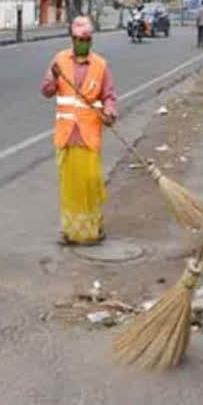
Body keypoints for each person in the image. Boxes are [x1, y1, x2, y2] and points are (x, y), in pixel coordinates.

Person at [42, 16, 118, 246]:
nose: (83, 43)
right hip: (66, 134)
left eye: (87, 39)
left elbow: (109, 95)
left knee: (89, 183)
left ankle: (93, 229)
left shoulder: (100, 65)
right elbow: (46, 91)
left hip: (89, 134)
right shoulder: (59, 61)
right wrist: (54, 77)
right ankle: (70, 231)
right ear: (72, 39)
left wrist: (110, 111)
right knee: (69, 187)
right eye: (78, 39)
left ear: (91, 40)